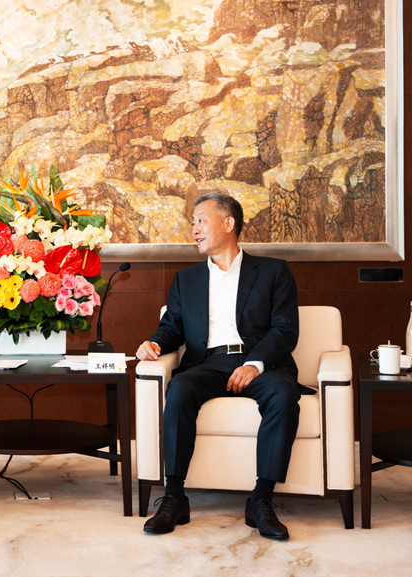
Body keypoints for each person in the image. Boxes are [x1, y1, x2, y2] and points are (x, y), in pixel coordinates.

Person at [137, 192, 300, 540]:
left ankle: (261, 499)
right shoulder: (186, 279)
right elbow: (172, 328)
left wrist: (255, 364)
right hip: (208, 362)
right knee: (179, 388)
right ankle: (174, 497)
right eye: (192, 222)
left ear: (228, 223)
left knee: (283, 393)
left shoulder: (273, 271)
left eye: (201, 220)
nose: (194, 229)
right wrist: (155, 343)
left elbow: (285, 329)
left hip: (259, 363)